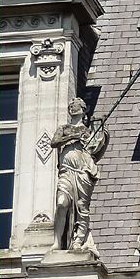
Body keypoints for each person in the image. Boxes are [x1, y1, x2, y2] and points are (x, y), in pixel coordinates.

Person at [50, 97, 109, 251]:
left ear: (83, 109)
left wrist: (104, 135)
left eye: (76, 104)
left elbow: (96, 152)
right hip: (66, 171)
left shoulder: (89, 131)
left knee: (82, 208)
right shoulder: (63, 128)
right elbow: (54, 142)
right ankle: (57, 242)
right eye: (71, 104)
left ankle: (78, 240)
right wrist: (73, 137)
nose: (72, 106)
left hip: (83, 173)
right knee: (61, 203)